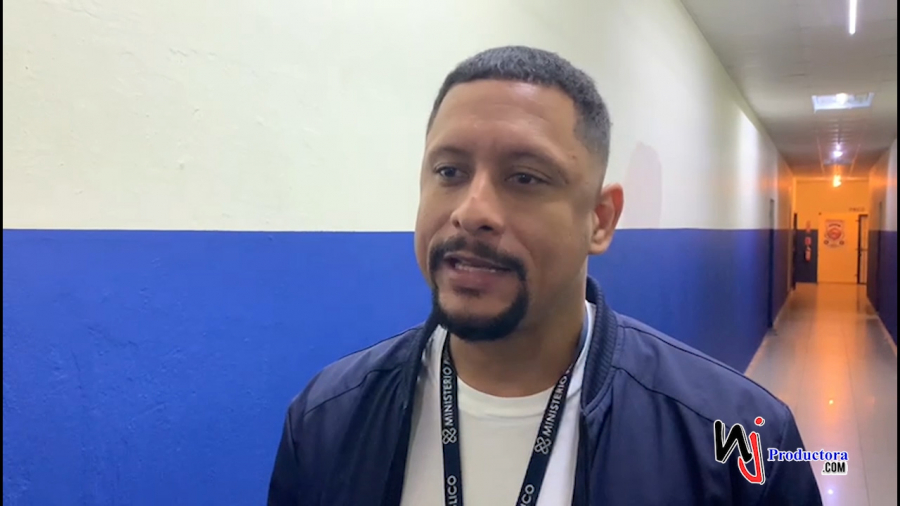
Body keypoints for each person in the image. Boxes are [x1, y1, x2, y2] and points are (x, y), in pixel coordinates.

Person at [267, 46, 823, 506]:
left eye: (525, 177)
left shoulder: (737, 437)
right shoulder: (326, 419)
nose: (472, 210)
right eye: (450, 171)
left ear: (599, 220)